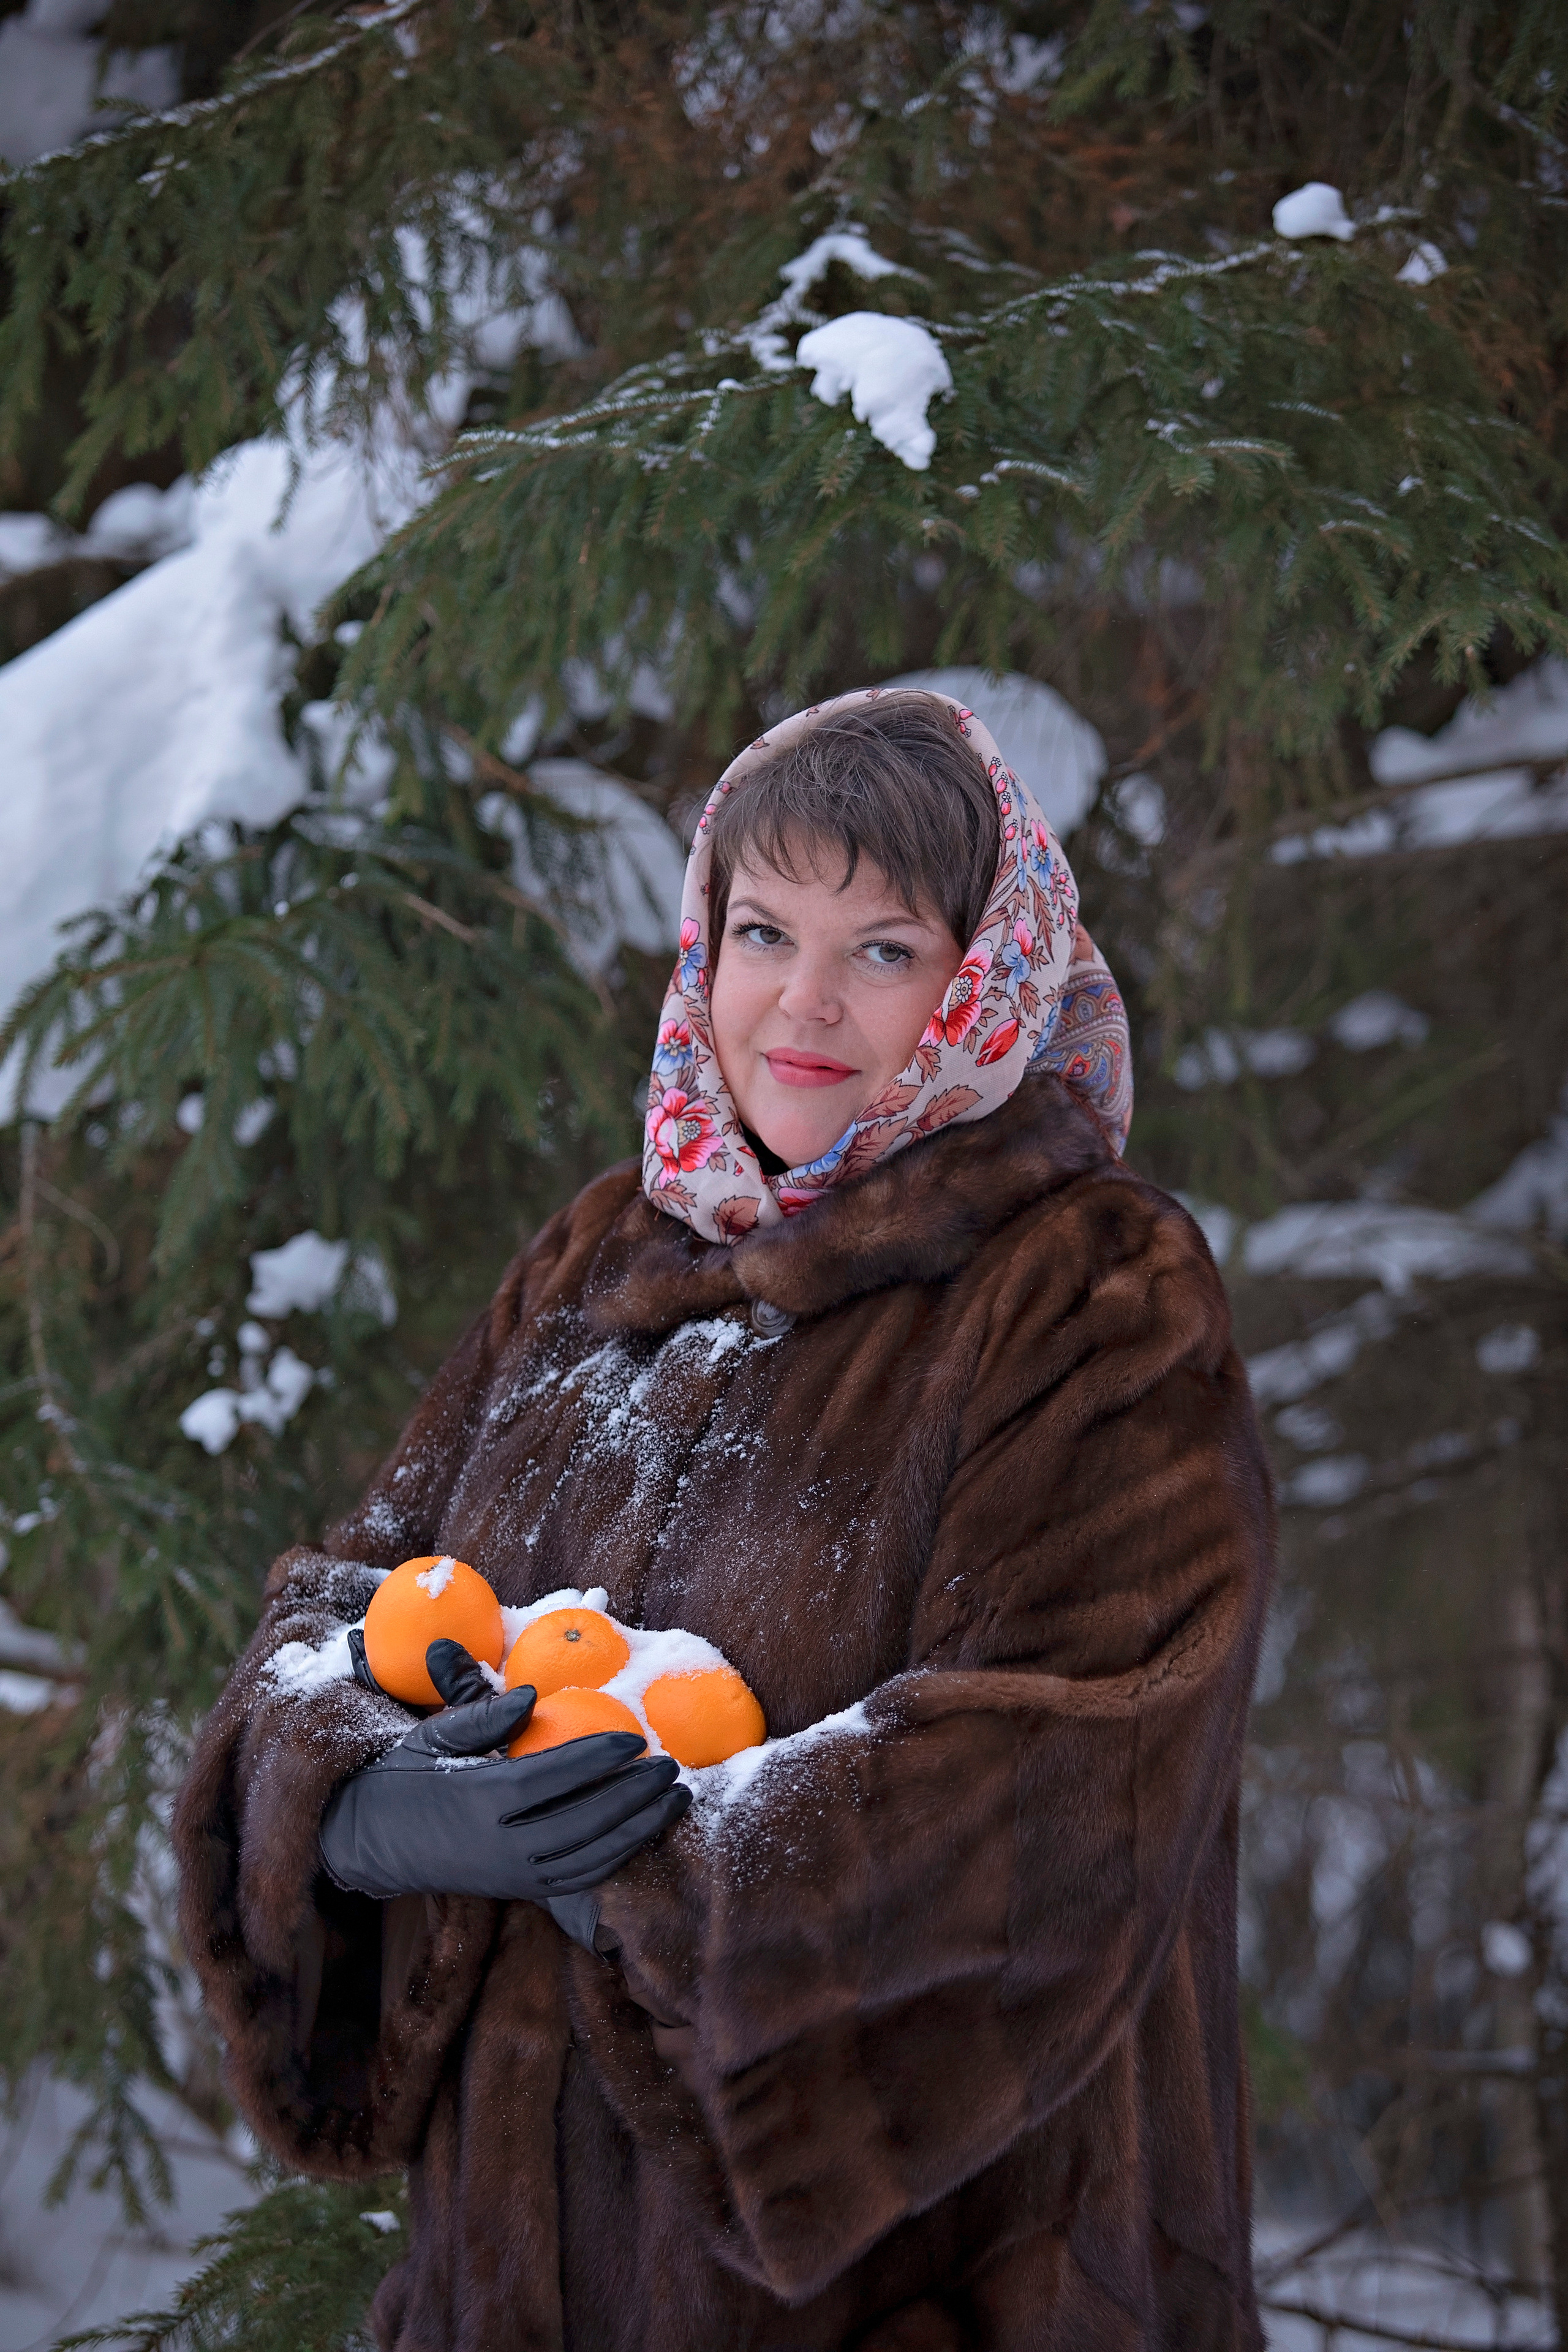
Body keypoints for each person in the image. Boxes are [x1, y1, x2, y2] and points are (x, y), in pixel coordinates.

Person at [175, 688, 1273, 2351]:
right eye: (764, 931)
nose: (804, 1004)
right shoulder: (604, 1254)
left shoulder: (1092, 1292)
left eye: (885, 949)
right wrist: (357, 1794)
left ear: (987, 977)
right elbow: (357, 1594)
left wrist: (650, 1874)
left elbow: (1073, 1775)